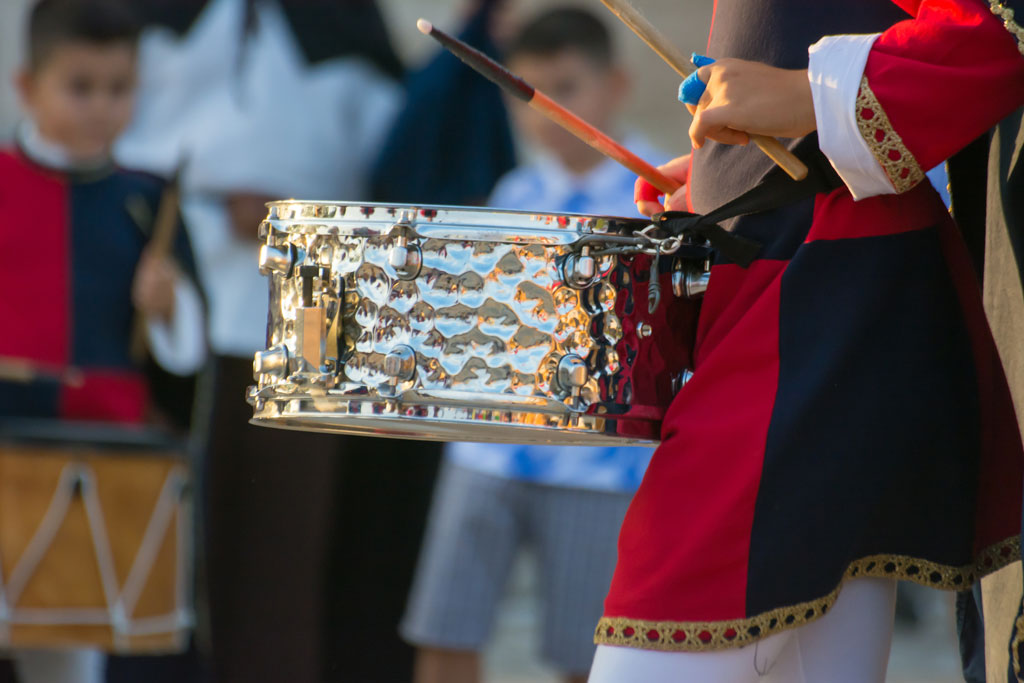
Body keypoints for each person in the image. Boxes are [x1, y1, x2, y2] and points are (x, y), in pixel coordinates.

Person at [587, 0, 1024, 681]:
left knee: (660, 623)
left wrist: (802, 97)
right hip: (800, 282)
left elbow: (992, 31)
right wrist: (724, 170)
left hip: (825, 292)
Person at [114, 1, 407, 680]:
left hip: (315, 287)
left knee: (286, 542)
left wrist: (297, 212)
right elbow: (110, 121)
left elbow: (391, 150)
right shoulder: (149, 16)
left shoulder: (346, 19)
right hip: (177, 274)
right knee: (173, 540)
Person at [400, 10, 658, 683]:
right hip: (487, 451)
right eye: (529, 93)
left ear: (616, 84)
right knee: (443, 633)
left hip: (600, 462)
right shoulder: (515, 191)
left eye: (567, 86)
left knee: (590, 657)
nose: (547, 111)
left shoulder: (658, 195)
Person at [0, 1, 205, 681]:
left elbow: (185, 369)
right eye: (80, 87)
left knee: (72, 657)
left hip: (107, 451)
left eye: (118, 89)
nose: (100, 107)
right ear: (27, 86)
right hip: (8, 441)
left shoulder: (146, 199)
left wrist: (170, 310)